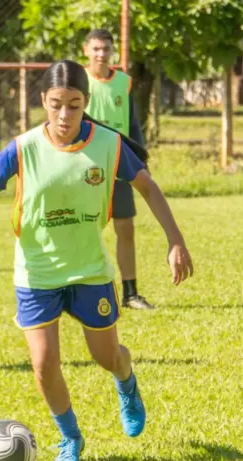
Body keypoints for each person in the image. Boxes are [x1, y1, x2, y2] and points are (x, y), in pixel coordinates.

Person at [0, 60, 193, 461]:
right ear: (43, 100)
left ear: (85, 103)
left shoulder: (108, 145)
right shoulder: (23, 148)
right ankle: (70, 437)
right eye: (56, 104)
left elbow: (147, 186)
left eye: (74, 106)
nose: (64, 115)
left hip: (90, 271)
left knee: (107, 357)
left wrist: (175, 239)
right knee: (44, 364)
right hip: (37, 274)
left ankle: (126, 381)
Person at [83, 28, 154, 309]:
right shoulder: (79, 81)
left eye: (106, 49)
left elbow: (133, 125)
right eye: (96, 48)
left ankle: (130, 294)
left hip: (118, 163)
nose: (101, 54)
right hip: (86, 166)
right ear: (86, 50)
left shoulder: (123, 83)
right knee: (86, 230)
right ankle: (82, 292)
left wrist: (140, 160)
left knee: (125, 228)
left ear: (112, 51)